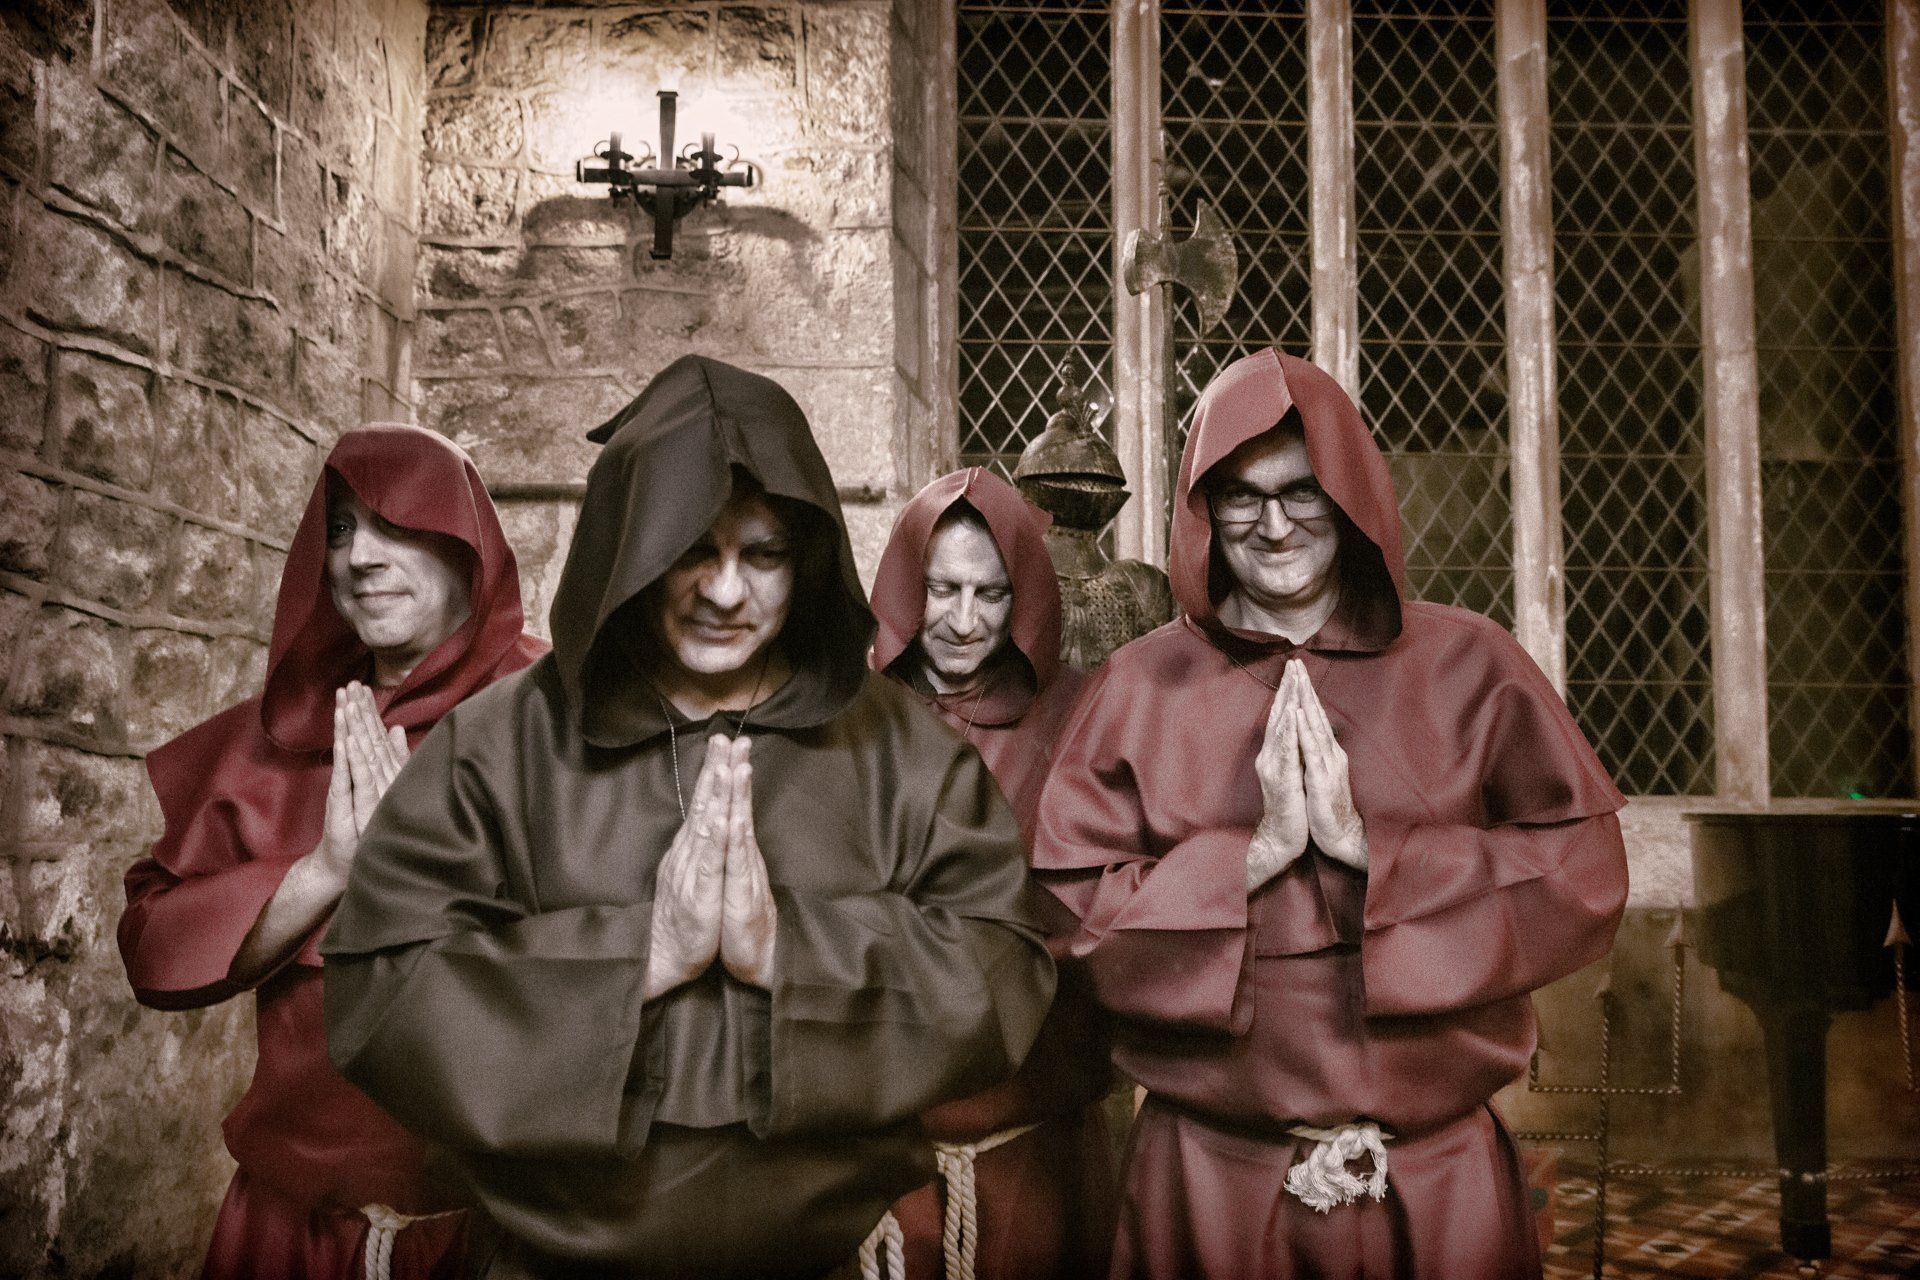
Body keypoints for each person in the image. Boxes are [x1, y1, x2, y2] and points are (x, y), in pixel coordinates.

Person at [320, 355, 1057, 1280]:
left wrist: (786, 951)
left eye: (764, 555)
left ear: (809, 556)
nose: (724, 592)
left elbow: (1005, 964)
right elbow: (379, 986)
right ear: (632, 549)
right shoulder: (501, 742)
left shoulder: (903, 752)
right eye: (692, 551)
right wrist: (643, 955)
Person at [1032, 347, 1628, 1280]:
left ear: (1350, 493)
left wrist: (1374, 856)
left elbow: (1583, 875)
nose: (1274, 525)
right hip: (1213, 1179)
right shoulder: (1141, 684)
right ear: (1202, 510)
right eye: (1241, 496)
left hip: (1439, 1176)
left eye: (1302, 491)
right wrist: (1248, 858)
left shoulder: (1473, 664)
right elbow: (1068, 910)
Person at [118, 425, 546, 1280]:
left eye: (396, 524)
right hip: (291, 1233)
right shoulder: (291, 728)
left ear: (467, 544)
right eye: (342, 529)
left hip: (503, 1235)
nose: (360, 558)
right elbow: (154, 945)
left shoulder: (556, 715)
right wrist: (325, 874)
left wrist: (424, 874)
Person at [868, 468, 1115, 1280]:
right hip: (878, 1163)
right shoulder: (849, 722)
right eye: (942, 590)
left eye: (991, 593)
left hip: (1033, 1153)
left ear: (1027, 599)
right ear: (908, 586)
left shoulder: (1083, 718)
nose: (965, 622)